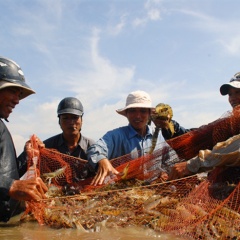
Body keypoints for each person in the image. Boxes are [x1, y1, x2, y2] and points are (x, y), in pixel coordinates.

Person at [87, 90, 170, 186]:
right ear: (126, 113)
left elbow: (169, 161)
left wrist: (165, 173)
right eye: (133, 111)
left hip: (155, 191)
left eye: (143, 111)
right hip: (124, 193)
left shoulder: (158, 135)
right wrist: (102, 160)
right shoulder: (116, 136)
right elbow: (94, 149)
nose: (138, 116)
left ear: (149, 114)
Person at [0, 56, 47, 222]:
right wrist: (9, 185)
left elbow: (6, 173)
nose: (17, 100)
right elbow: (7, 183)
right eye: (12, 91)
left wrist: (25, 157)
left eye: (19, 94)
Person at [168, 72, 240, 180]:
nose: (233, 98)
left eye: (238, 92)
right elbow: (199, 139)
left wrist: (192, 165)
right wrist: (169, 126)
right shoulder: (230, 123)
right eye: (230, 94)